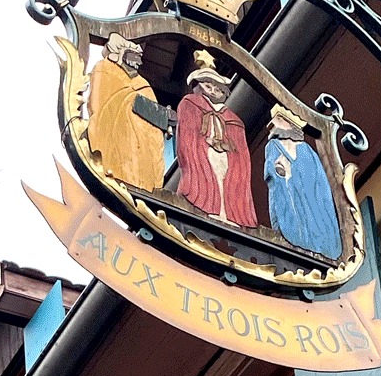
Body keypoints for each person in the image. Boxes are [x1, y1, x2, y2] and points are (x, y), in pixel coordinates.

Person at [174, 51, 257, 229]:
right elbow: (187, 136)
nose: (213, 90)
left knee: (227, 179)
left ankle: (229, 214)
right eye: (208, 85)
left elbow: (241, 153)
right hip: (204, 152)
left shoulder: (234, 119)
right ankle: (208, 207)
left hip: (226, 155)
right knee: (206, 176)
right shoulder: (190, 103)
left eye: (217, 87)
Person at [84, 33, 167, 193]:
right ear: (118, 54)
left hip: (142, 146)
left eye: (139, 57)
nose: (138, 62)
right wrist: (135, 102)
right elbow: (102, 104)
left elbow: (156, 120)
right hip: (117, 139)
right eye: (133, 56)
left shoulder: (143, 84)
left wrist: (163, 117)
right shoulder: (105, 69)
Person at [264, 104, 342, 261]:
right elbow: (273, 172)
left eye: (278, 119)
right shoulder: (274, 146)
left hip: (312, 204)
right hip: (289, 195)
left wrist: (293, 172)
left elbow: (317, 183)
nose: (271, 124)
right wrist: (284, 175)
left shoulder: (305, 150)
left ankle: (321, 246)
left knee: (316, 217)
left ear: (291, 124)